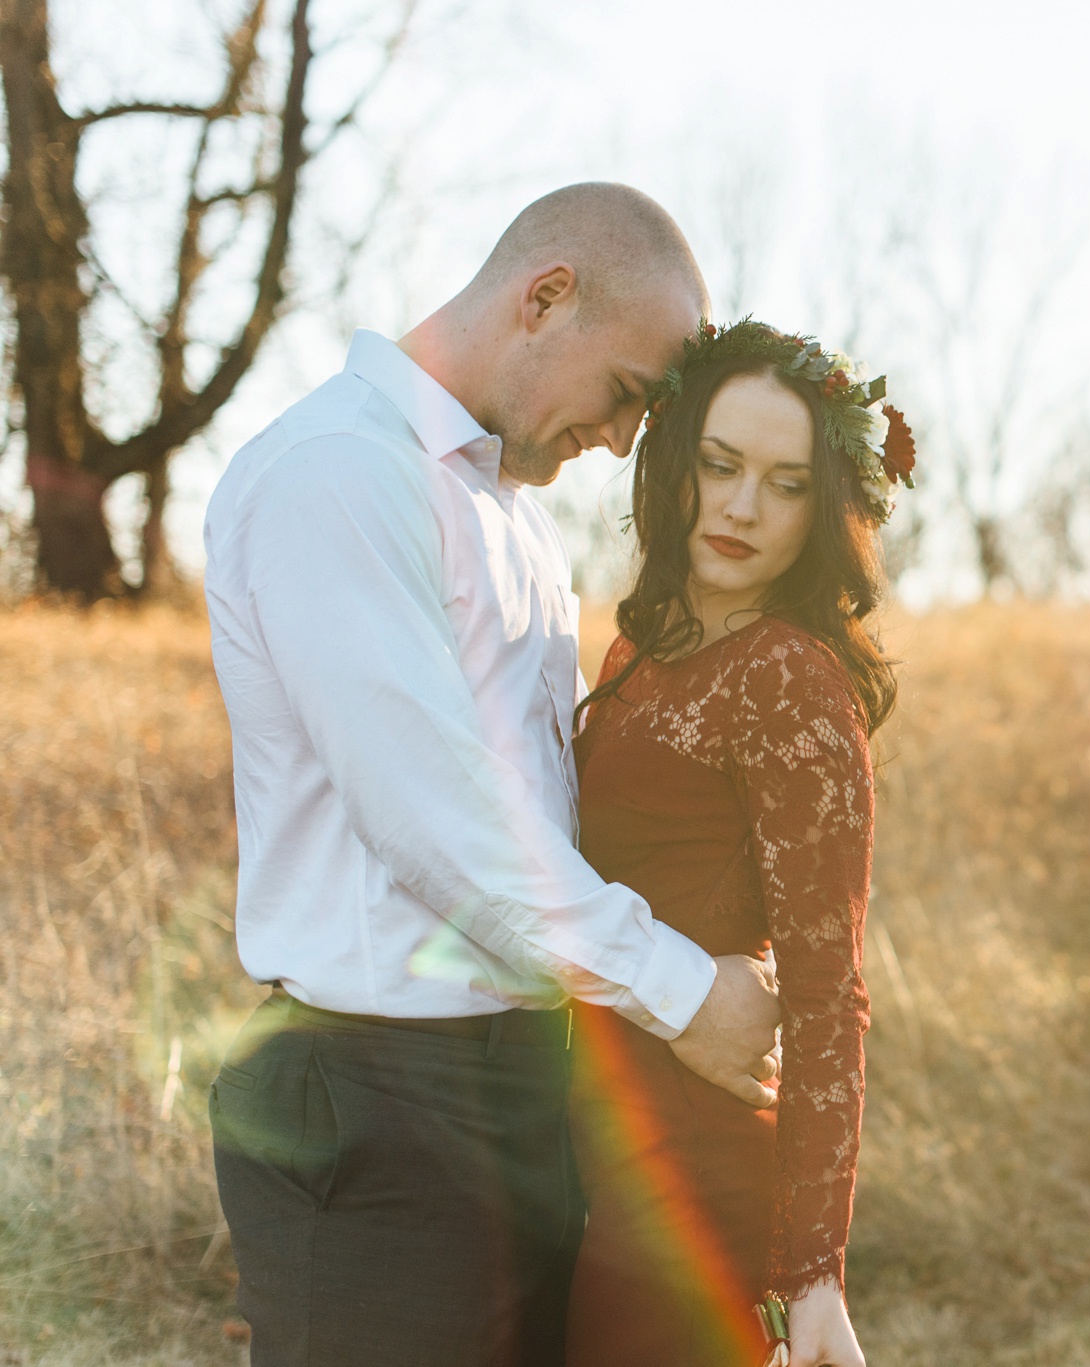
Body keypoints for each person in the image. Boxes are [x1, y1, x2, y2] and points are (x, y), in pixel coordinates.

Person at [202, 184, 784, 1367]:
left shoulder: (515, 515)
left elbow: (552, 808)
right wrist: (681, 992)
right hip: (374, 1103)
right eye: (625, 393)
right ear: (545, 297)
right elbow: (444, 826)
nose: (624, 438)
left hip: (526, 1088)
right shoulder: (336, 476)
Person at [563, 320, 915, 1367]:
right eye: (719, 465)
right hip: (605, 1154)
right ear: (677, 462)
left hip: (701, 1180)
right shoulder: (643, 648)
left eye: (785, 481)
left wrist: (810, 1270)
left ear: (824, 508)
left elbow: (825, 991)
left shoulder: (787, 680)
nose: (741, 506)